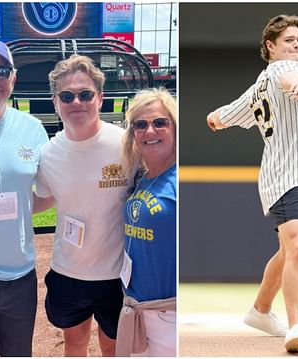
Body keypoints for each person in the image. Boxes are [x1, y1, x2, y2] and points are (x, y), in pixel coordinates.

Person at [206, 14, 298, 353]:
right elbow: (286, 77)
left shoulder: (258, 85)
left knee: (288, 250)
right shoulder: (285, 70)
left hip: (291, 175)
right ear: (270, 46)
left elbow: (222, 116)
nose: (296, 46)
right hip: (289, 176)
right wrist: (294, 85)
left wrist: (214, 118)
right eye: (289, 40)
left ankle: (260, 310)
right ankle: (296, 324)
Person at [33, 54, 134, 356]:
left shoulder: (127, 144)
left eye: (85, 94)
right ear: (55, 102)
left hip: (117, 274)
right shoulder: (47, 154)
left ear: (100, 98)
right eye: (67, 95)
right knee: (74, 344)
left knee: (113, 347)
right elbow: (45, 198)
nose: (76, 102)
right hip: (69, 270)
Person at [0, 38, 49, 357]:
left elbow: (49, 191)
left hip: (20, 276)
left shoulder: (32, 128)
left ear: (13, 78)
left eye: (1, 70)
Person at [115, 88, 177, 357]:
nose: (149, 131)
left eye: (160, 122)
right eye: (140, 125)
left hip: (169, 315)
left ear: (175, 127)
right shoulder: (143, 177)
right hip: (138, 310)